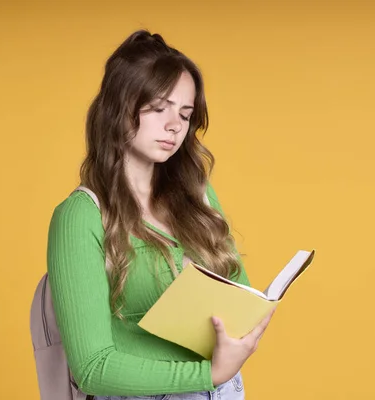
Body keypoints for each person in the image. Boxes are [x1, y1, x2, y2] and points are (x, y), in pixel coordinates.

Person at [46, 29, 275, 400]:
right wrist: (209, 372)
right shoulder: (80, 216)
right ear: (118, 108)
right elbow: (91, 368)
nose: (175, 126)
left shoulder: (197, 196)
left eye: (185, 114)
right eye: (158, 109)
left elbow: (241, 300)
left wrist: (245, 329)